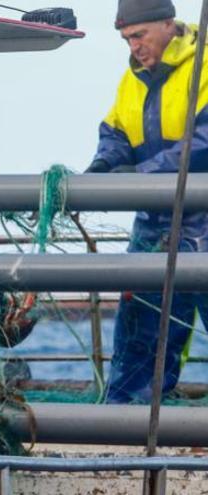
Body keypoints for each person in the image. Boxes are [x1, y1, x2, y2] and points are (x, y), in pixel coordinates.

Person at [86, 0, 208, 403]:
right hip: (154, 223)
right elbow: (116, 129)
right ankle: (124, 428)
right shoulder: (133, 77)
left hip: (203, 223)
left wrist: (141, 175)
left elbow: (204, 143)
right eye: (126, 39)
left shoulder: (204, 64)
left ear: (168, 25)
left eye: (139, 35)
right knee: (139, 337)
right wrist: (104, 163)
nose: (133, 46)